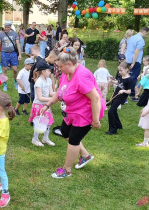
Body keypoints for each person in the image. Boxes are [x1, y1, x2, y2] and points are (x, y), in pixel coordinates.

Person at [41, 47, 105, 178]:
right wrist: (48, 104)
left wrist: (95, 120)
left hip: (85, 114)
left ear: (69, 64)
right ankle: (86, 156)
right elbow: (60, 92)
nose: (58, 69)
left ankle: (67, 170)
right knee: (65, 132)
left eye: (59, 66)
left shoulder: (81, 76)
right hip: (72, 112)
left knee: (74, 140)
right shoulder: (66, 73)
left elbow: (96, 98)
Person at [29, 61, 56, 147]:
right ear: (43, 71)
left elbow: (51, 92)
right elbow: (40, 97)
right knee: (39, 123)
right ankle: (35, 139)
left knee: (48, 122)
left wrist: (58, 94)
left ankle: (45, 138)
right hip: (39, 105)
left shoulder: (48, 80)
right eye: (48, 70)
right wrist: (52, 99)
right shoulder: (39, 82)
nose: (50, 72)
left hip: (46, 105)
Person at [106, 62, 132, 135]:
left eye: (121, 70)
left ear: (127, 69)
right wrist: (113, 81)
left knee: (111, 111)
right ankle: (118, 125)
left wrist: (123, 91)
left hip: (120, 97)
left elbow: (129, 91)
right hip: (116, 95)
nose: (119, 72)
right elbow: (119, 83)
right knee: (114, 111)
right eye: (119, 71)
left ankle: (113, 130)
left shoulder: (129, 79)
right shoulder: (122, 77)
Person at [0, 20, 22, 91]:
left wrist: (19, 54)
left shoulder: (14, 34)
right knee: (4, 69)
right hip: (4, 53)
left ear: (10, 27)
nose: (6, 28)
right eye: (5, 27)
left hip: (13, 53)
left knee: (15, 70)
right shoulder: (1, 34)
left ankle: (15, 82)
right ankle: (5, 85)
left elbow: (18, 44)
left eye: (8, 27)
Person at [125, 27, 149, 96]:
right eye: (147, 34)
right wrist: (133, 62)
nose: (146, 35)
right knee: (134, 76)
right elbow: (136, 52)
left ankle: (125, 89)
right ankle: (131, 92)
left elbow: (128, 48)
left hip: (127, 59)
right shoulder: (141, 40)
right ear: (144, 32)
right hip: (135, 61)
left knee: (127, 75)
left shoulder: (131, 37)